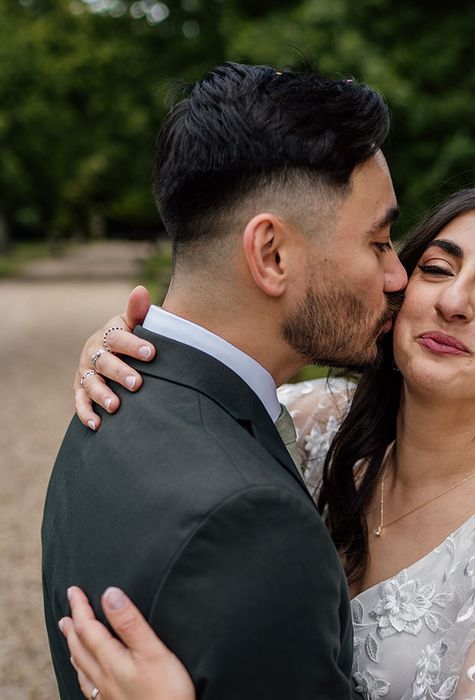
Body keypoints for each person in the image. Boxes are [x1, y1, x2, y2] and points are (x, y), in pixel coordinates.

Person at [60, 185, 475, 699]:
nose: (453, 302)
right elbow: (196, 400)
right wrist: (123, 355)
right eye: (437, 269)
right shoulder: (323, 422)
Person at [42, 61, 408, 700]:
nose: (397, 275)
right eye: (378, 242)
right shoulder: (252, 522)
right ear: (271, 255)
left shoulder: (114, 399)